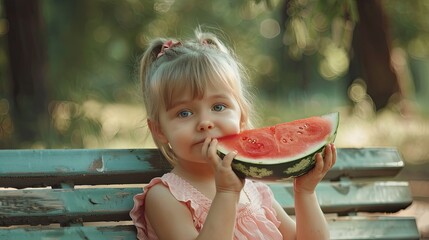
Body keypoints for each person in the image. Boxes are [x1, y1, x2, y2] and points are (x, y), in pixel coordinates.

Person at [130, 28, 336, 240]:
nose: (205, 123)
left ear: (241, 117)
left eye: (218, 107)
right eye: (184, 112)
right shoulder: (165, 197)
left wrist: (305, 192)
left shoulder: (255, 190)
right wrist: (227, 194)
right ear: (159, 130)